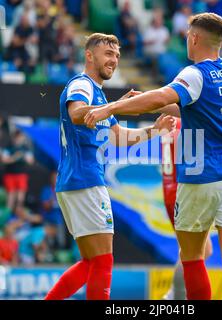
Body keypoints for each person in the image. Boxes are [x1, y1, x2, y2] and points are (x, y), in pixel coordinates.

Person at [85, 13, 222, 300]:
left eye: (188, 35)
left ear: (196, 38)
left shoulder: (194, 73)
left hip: (204, 174)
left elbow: (164, 97)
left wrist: (109, 108)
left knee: (191, 256)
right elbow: (193, 107)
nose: (186, 39)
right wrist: (147, 102)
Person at [45, 33, 175, 300]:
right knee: (103, 262)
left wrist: (154, 130)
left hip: (76, 182)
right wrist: (116, 107)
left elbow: (118, 138)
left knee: (92, 262)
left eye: (117, 55)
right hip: (86, 180)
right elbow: (77, 113)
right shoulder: (82, 85)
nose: (114, 60)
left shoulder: (100, 97)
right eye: (108, 54)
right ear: (89, 55)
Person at [161, 118, 213, 300]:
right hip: (183, 192)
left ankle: (175, 295)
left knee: (197, 250)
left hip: (169, 190)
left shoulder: (170, 124)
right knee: (196, 252)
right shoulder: (188, 124)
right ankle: (174, 295)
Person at [1, 130, 34, 212]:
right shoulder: (9, 147)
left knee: (20, 197)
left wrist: (25, 158)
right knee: (11, 196)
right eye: (18, 137)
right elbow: (4, 160)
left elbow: (31, 161)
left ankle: (19, 214)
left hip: (21, 175)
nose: (19, 139)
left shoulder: (25, 148)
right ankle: (8, 215)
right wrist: (15, 157)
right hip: (10, 174)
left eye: (21, 137)